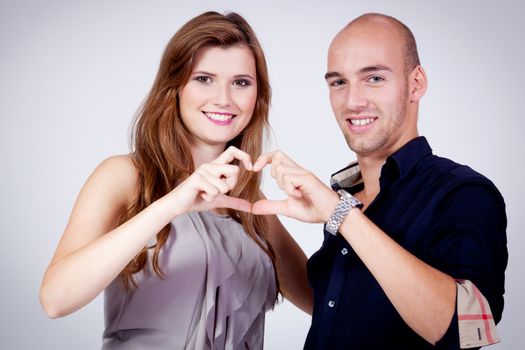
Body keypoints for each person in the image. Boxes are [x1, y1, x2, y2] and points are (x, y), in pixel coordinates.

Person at [39, 11, 312, 349]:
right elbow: (56, 299)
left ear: (258, 97)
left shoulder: (252, 206)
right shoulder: (125, 176)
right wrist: (172, 204)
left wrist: (336, 213)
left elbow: (328, 306)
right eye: (204, 78)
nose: (224, 99)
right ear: (175, 87)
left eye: (241, 82)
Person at [252, 13, 507, 349]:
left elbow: (464, 328)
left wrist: (340, 214)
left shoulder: (464, 193)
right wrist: (255, 209)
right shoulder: (346, 193)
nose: (353, 101)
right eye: (338, 82)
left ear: (416, 83)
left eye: (373, 78)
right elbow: (330, 305)